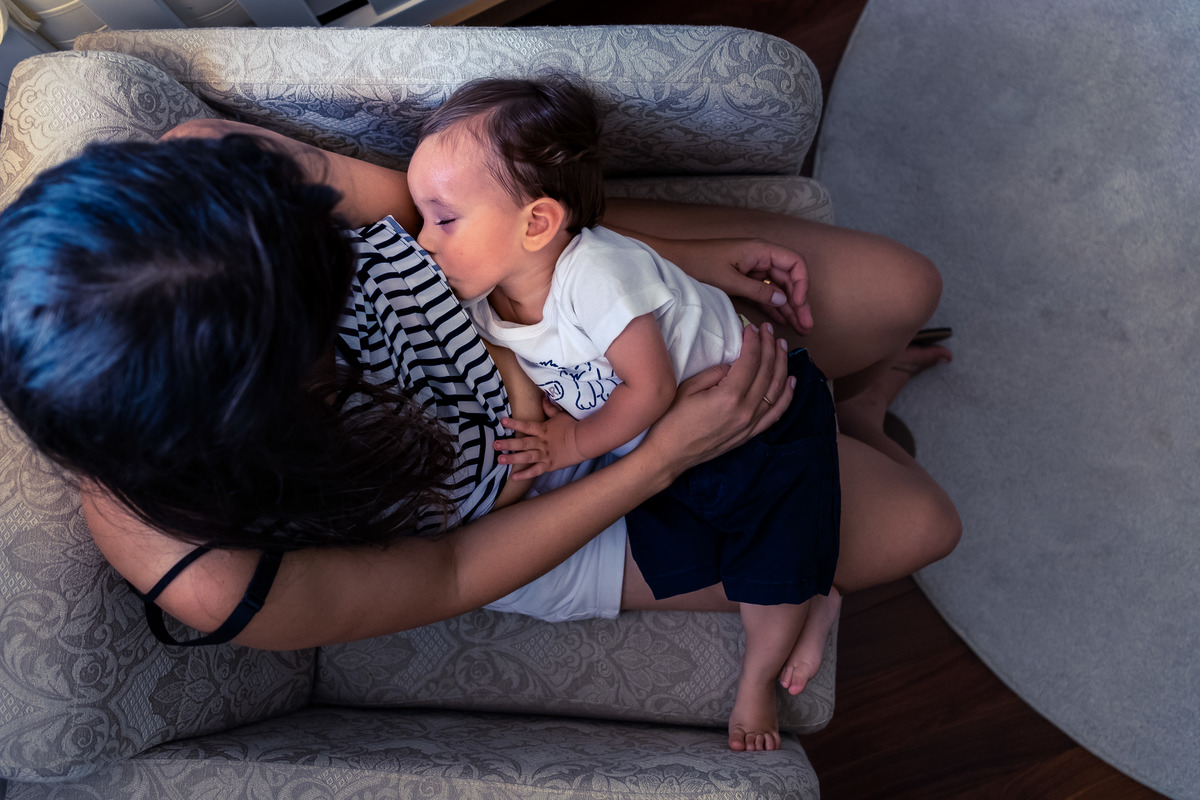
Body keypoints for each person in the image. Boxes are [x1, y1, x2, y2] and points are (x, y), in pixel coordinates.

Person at [0, 111, 959, 754]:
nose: (352, 284)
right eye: (322, 333)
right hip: (532, 515)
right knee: (921, 521)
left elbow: (454, 217)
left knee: (901, 291)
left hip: (527, 303)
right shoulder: (207, 571)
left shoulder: (211, 183)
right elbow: (451, 574)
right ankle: (855, 416)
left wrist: (657, 269)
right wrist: (662, 456)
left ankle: (842, 410)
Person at [405, 75, 845, 751]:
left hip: (755, 422)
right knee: (687, 553)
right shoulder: (483, 294)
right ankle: (814, 591)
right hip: (668, 444)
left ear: (537, 224)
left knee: (771, 560)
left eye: (443, 219)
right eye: (421, 217)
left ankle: (761, 675)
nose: (423, 242)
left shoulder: (597, 276)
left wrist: (570, 443)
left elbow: (650, 389)